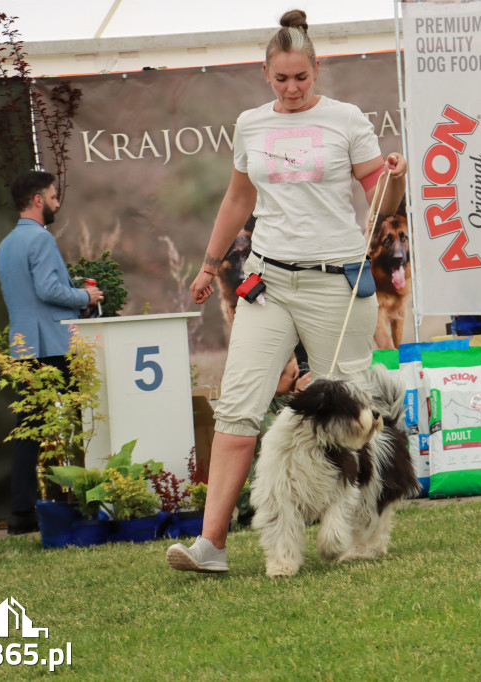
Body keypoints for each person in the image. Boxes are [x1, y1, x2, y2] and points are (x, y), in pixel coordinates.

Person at [166, 9, 407, 574]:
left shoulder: (347, 119)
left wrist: (394, 176)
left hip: (337, 284)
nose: (292, 89)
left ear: (316, 70)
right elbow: (237, 200)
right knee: (238, 410)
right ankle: (211, 546)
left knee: (353, 414)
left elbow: (384, 206)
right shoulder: (250, 124)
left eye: (301, 77)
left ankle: (356, 525)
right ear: (266, 74)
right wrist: (208, 265)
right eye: (282, 79)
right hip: (268, 281)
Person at [0, 170, 104, 534]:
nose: (58, 202)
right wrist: (84, 297)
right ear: (38, 200)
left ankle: (21, 513)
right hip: (54, 345)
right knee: (81, 421)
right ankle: (88, 500)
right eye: (55, 196)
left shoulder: (7, 244)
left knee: (28, 430)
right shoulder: (40, 239)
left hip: (25, 346)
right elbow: (47, 289)